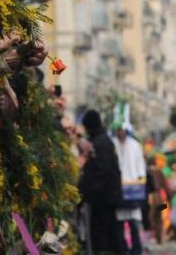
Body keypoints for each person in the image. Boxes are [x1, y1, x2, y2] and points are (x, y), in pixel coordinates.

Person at [78, 109, 123, 255]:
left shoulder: (100, 142)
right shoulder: (102, 140)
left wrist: (85, 191)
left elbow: (101, 173)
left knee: (103, 235)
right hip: (106, 196)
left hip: (103, 198)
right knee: (107, 233)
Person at [113, 122, 146, 255]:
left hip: (133, 189)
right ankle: (122, 249)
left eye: (122, 130)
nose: (120, 132)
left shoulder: (135, 145)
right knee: (119, 222)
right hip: (119, 188)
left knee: (134, 222)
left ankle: (136, 250)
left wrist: (139, 182)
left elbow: (141, 167)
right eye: (118, 130)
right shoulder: (113, 144)